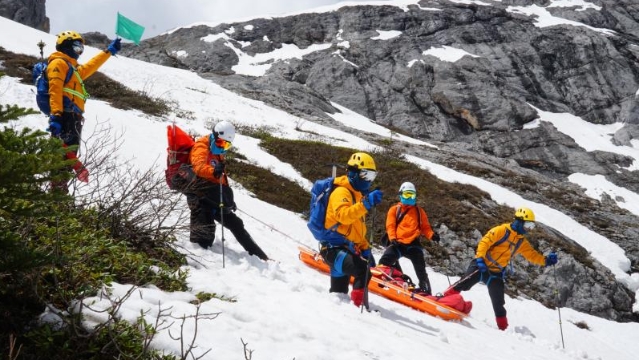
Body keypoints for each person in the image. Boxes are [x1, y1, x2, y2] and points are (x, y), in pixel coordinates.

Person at [444, 207, 558, 330]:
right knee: (464, 283)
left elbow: (532, 255)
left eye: (531, 226)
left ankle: (502, 328)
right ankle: (443, 299)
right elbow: (484, 242)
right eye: (528, 225)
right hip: (481, 265)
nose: (529, 229)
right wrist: (480, 259)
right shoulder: (501, 230)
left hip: (495, 273)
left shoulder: (521, 241)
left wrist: (546, 261)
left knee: (498, 302)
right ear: (519, 221)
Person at [46, 30, 121, 190]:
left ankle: (59, 194)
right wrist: (56, 116)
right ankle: (56, 196)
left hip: (73, 117)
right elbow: (55, 89)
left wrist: (108, 52)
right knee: (62, 157)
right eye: (77, 47)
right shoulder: (58, 63)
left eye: (81, 48)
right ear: (66, 46)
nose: (79, 51)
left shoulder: (73, 69)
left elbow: (91, 66)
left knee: (69, 156)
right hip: (65, 116)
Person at [186, 120, 268, 261]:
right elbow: (198, 167)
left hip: (213, 195)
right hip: (199, 193)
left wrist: (227, 199)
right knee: (204, 234)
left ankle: (260, 257)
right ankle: (200, 260)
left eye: (227, 145)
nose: (223, 147)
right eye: (221, 143)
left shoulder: (218, 151)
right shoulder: (201, 146)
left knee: (236, 224)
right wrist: (213, 171)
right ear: (215, 135)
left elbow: (220, 177)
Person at [318, 152, 383, 308]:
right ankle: (358, 308)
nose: (369, 180)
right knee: (363, 271)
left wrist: (365, 248)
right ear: (354, 172)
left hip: (346, 249)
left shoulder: (356, 195)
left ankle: (342, 314)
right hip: (334, 250)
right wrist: (365, 204)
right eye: (366, 175)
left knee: (338, 296)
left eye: (372, 176)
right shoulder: (342, 192)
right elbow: (343, 217)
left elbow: (355, 229)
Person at [377, 182, 440, 295]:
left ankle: (425, 290)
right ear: (401, 195)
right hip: (398, 243)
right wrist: (392, 238)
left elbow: (425, 227)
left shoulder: (419, 212)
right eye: (407, 195)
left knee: (420, 267)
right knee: (385, 261)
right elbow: (390, 226)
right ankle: (390, 279)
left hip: (413, 244)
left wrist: (431, 235)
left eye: (412, 195)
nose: (410, 198)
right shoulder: (394, 210)